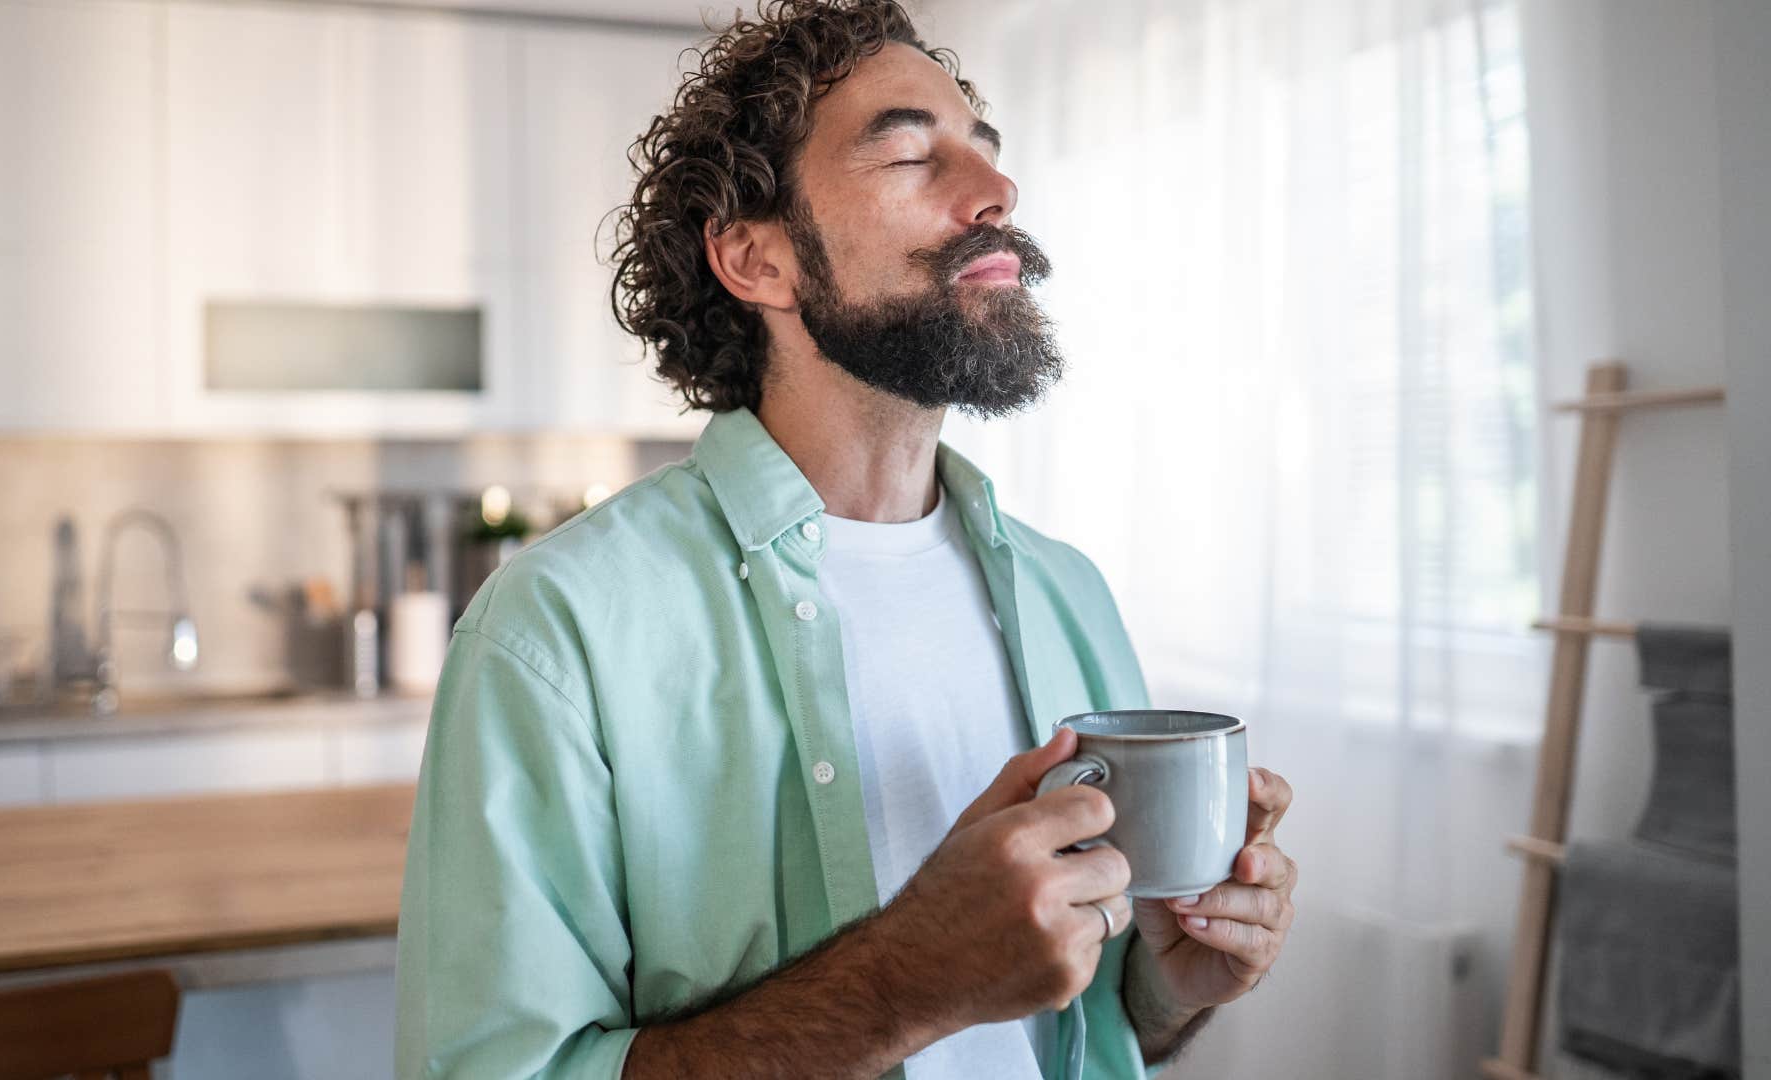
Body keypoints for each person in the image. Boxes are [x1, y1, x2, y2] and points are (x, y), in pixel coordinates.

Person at [394, 2, 1298, 1077]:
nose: (994, 194)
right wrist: (907, 983)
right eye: (913, 152)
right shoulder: (560, 628)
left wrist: (1169, 987)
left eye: (987, 154)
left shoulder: (1068, 594)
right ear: (757, 259)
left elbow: (1074, 1031)